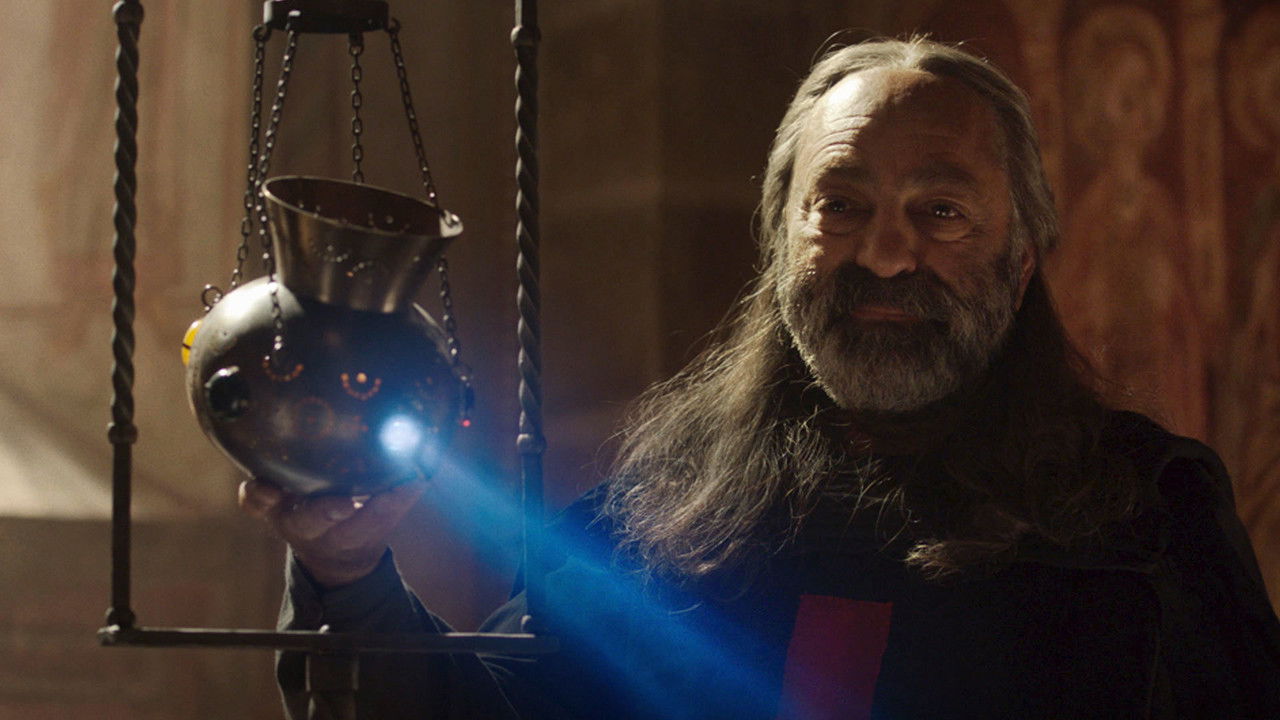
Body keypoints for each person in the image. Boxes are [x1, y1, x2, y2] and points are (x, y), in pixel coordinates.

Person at [241, 37, 1280, 719]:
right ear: (780, 246)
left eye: (941, 211)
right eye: (840, 206)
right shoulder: (661, 518)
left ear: (1019, 263)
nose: (885, 255)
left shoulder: (1147, 517)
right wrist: (350, 574)